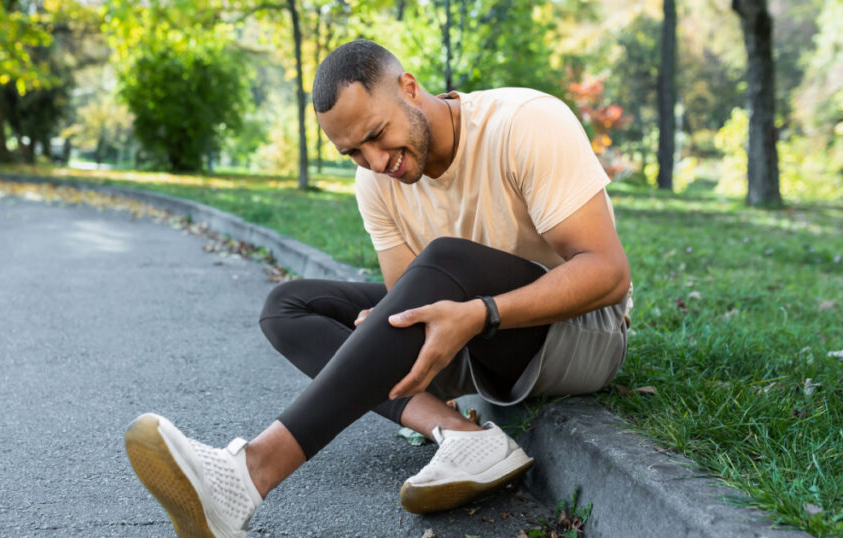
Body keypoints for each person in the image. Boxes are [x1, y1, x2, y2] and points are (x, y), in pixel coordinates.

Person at [123, 39, 631, 537]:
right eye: (354, 153)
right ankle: (459, 436)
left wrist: (479, 314)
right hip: (470, 337)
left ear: (409, 88)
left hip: (577, 333)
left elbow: (607, 273)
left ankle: (250, 474)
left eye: (377, 134)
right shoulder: (375, 180)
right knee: (288, 306)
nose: (376, 160)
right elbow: (409, 297)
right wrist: (385, 326)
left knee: (445, 258)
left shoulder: (525, 122)